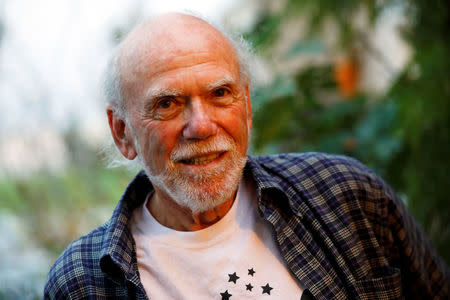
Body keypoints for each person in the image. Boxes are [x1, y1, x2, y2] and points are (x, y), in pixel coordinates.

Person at [44, 13, 449, 300]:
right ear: (122, 133)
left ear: (248, 106)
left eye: (220, 94)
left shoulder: (348, 197)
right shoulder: (83, 283)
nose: (201, 126)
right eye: (167, 103)